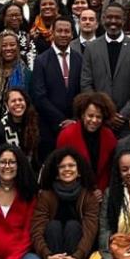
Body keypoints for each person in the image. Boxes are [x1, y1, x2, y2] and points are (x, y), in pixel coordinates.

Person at [31, 148, 101, 259]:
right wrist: (47, 255)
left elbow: (90, 231)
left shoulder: (89, 195)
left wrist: (76, 257)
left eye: (71, 165)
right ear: (56, 173)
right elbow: (37, 229)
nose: (67, 169)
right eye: (62, 167)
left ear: (79, 171)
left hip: (79, 253)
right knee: (54, 226)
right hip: (52, 252)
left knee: (72, 226)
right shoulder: (46, 195)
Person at [80, 4, 130, 131]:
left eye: (117, 18)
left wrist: (124, 114)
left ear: (124, 20)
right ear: (103, 19)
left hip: (126, 122)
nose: (113, 21)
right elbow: (86, 83)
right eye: (109, 17)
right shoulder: (91, 48)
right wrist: (103, 112)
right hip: (99, 121)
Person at [32, 16, 84, 156]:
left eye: (67, 31)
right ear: (52, 32)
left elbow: (83, 91)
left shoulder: (79, 59)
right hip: (49, 126)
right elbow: (39, 96)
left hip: (75, 124)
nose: (63, 34)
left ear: (72, 34)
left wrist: (74, 120)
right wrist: (61, 121)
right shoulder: (41, 61)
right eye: (59, 31)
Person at [57, 91, 118, 193]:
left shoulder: (109, 136)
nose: (94, 120)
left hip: (101, 193)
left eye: (98, 117)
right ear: (82, 114)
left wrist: (101, 190)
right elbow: (61, 168)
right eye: (90, 115)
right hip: (73, 192)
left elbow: (109, 170)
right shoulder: (66, 135)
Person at [0, 86, 41, 170]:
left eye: (20, 100)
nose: (17, 103)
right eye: (13, 101)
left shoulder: (34, 124)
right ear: (6, 105)